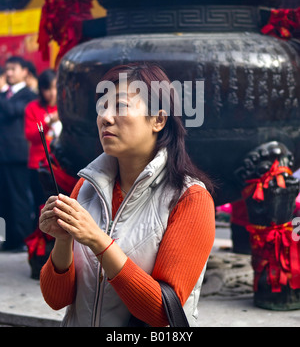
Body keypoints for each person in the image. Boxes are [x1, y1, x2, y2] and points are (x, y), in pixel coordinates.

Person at [39, 62, 215, 327]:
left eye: (120, 106)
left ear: (158, 119)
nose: (106, 117)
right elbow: (56, 299)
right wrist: (62, 241)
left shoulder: (189, 199)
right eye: (102, 107)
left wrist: (99, 242)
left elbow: (161, 313)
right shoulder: (86, 187)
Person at [0, 56, 37, 251]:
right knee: (3, 200)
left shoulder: (28, 95)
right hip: (2, 156)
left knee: (19, 199)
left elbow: (14, 111)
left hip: (17, 155)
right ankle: (9, 240)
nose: (9, 73)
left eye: (13, 69)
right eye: (7, 69)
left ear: (25, 72)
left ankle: (24, 239)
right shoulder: (4, 95)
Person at [24, 68, 61, 222]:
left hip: (60, 164)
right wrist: (48, 123)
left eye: (55, 88)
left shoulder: (64, 106)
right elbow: (31, 135)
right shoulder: (33, 108)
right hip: (39, 164)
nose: (52, 93)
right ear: (41, 90)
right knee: (41, 204)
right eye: (48, 89)